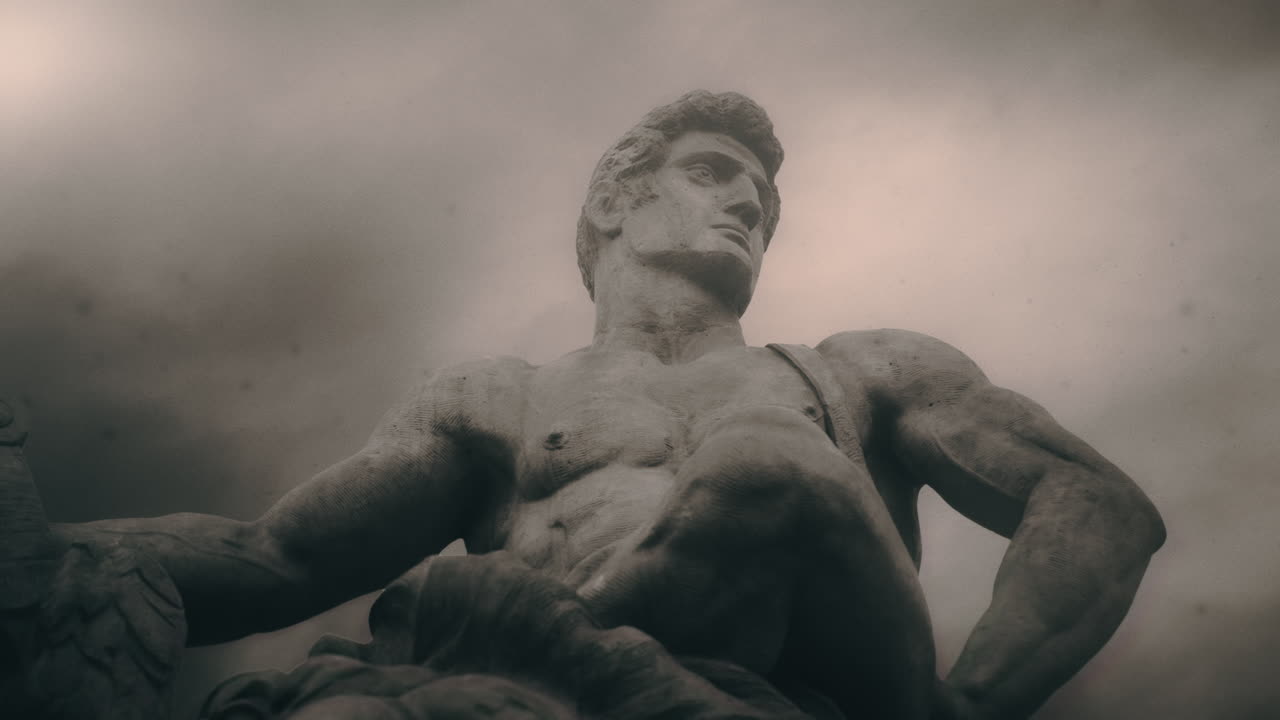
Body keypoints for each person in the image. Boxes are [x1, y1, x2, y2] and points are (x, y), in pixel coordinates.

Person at [16, 91, 1164, 719]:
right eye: (716, 174)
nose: (750, 207)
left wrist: (967, 705)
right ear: (616, 195)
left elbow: (1091, 501)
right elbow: (276, 558)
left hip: (800, 685)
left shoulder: (860, 370)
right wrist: (48, 551)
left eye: (764, 203)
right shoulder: (490, 400)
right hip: (541, 671)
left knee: (765, 464)